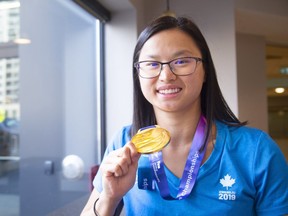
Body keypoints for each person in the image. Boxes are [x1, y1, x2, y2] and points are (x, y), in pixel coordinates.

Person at [81, 16, 288, 216]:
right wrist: (110, 198)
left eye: (181, 61)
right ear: (138, 74)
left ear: (205, 69)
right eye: (152, 64)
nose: (166, 75)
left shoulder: (256, 150)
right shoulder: (125, 142)